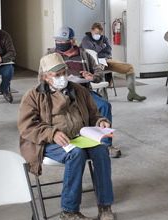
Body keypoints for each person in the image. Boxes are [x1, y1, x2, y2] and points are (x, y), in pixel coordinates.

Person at [18, 53, 116, 220]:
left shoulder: (78, 90)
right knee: (75, 154)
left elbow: (94, 113)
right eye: (57, 75)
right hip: (47, 143)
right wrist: (51, 133)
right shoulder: (33, 96)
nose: (62, 78)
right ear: (45, 76)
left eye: (64, 72)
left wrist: (100, 122)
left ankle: (105, 206)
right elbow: (26, 127)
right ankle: (69, 212)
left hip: (79, 137)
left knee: (102, 150)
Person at [52, 26, 121, 158]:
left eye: (63, 40)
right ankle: (66, 141)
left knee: (104, 105)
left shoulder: (84, 54)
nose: (59, 43)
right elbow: (42, 76)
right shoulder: (51, 56)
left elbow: (99, 72)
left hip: (83, 92)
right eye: (57, 40)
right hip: (59, 93)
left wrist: (92, 77)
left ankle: (106, 144)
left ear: (72, 41)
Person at [80, 22, 145, 102]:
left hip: (106, 60)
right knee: (99, 72)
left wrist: (101, 51)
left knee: (129, 67)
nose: (98, 35)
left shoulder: (104, 38)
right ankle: (102, 100)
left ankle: (132, 93)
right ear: (92, 31)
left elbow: (109, 50)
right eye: (96, 33)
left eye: (100, 33)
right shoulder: (86, 39)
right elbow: (92, 51)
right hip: (93, 64)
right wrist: (102, 46)